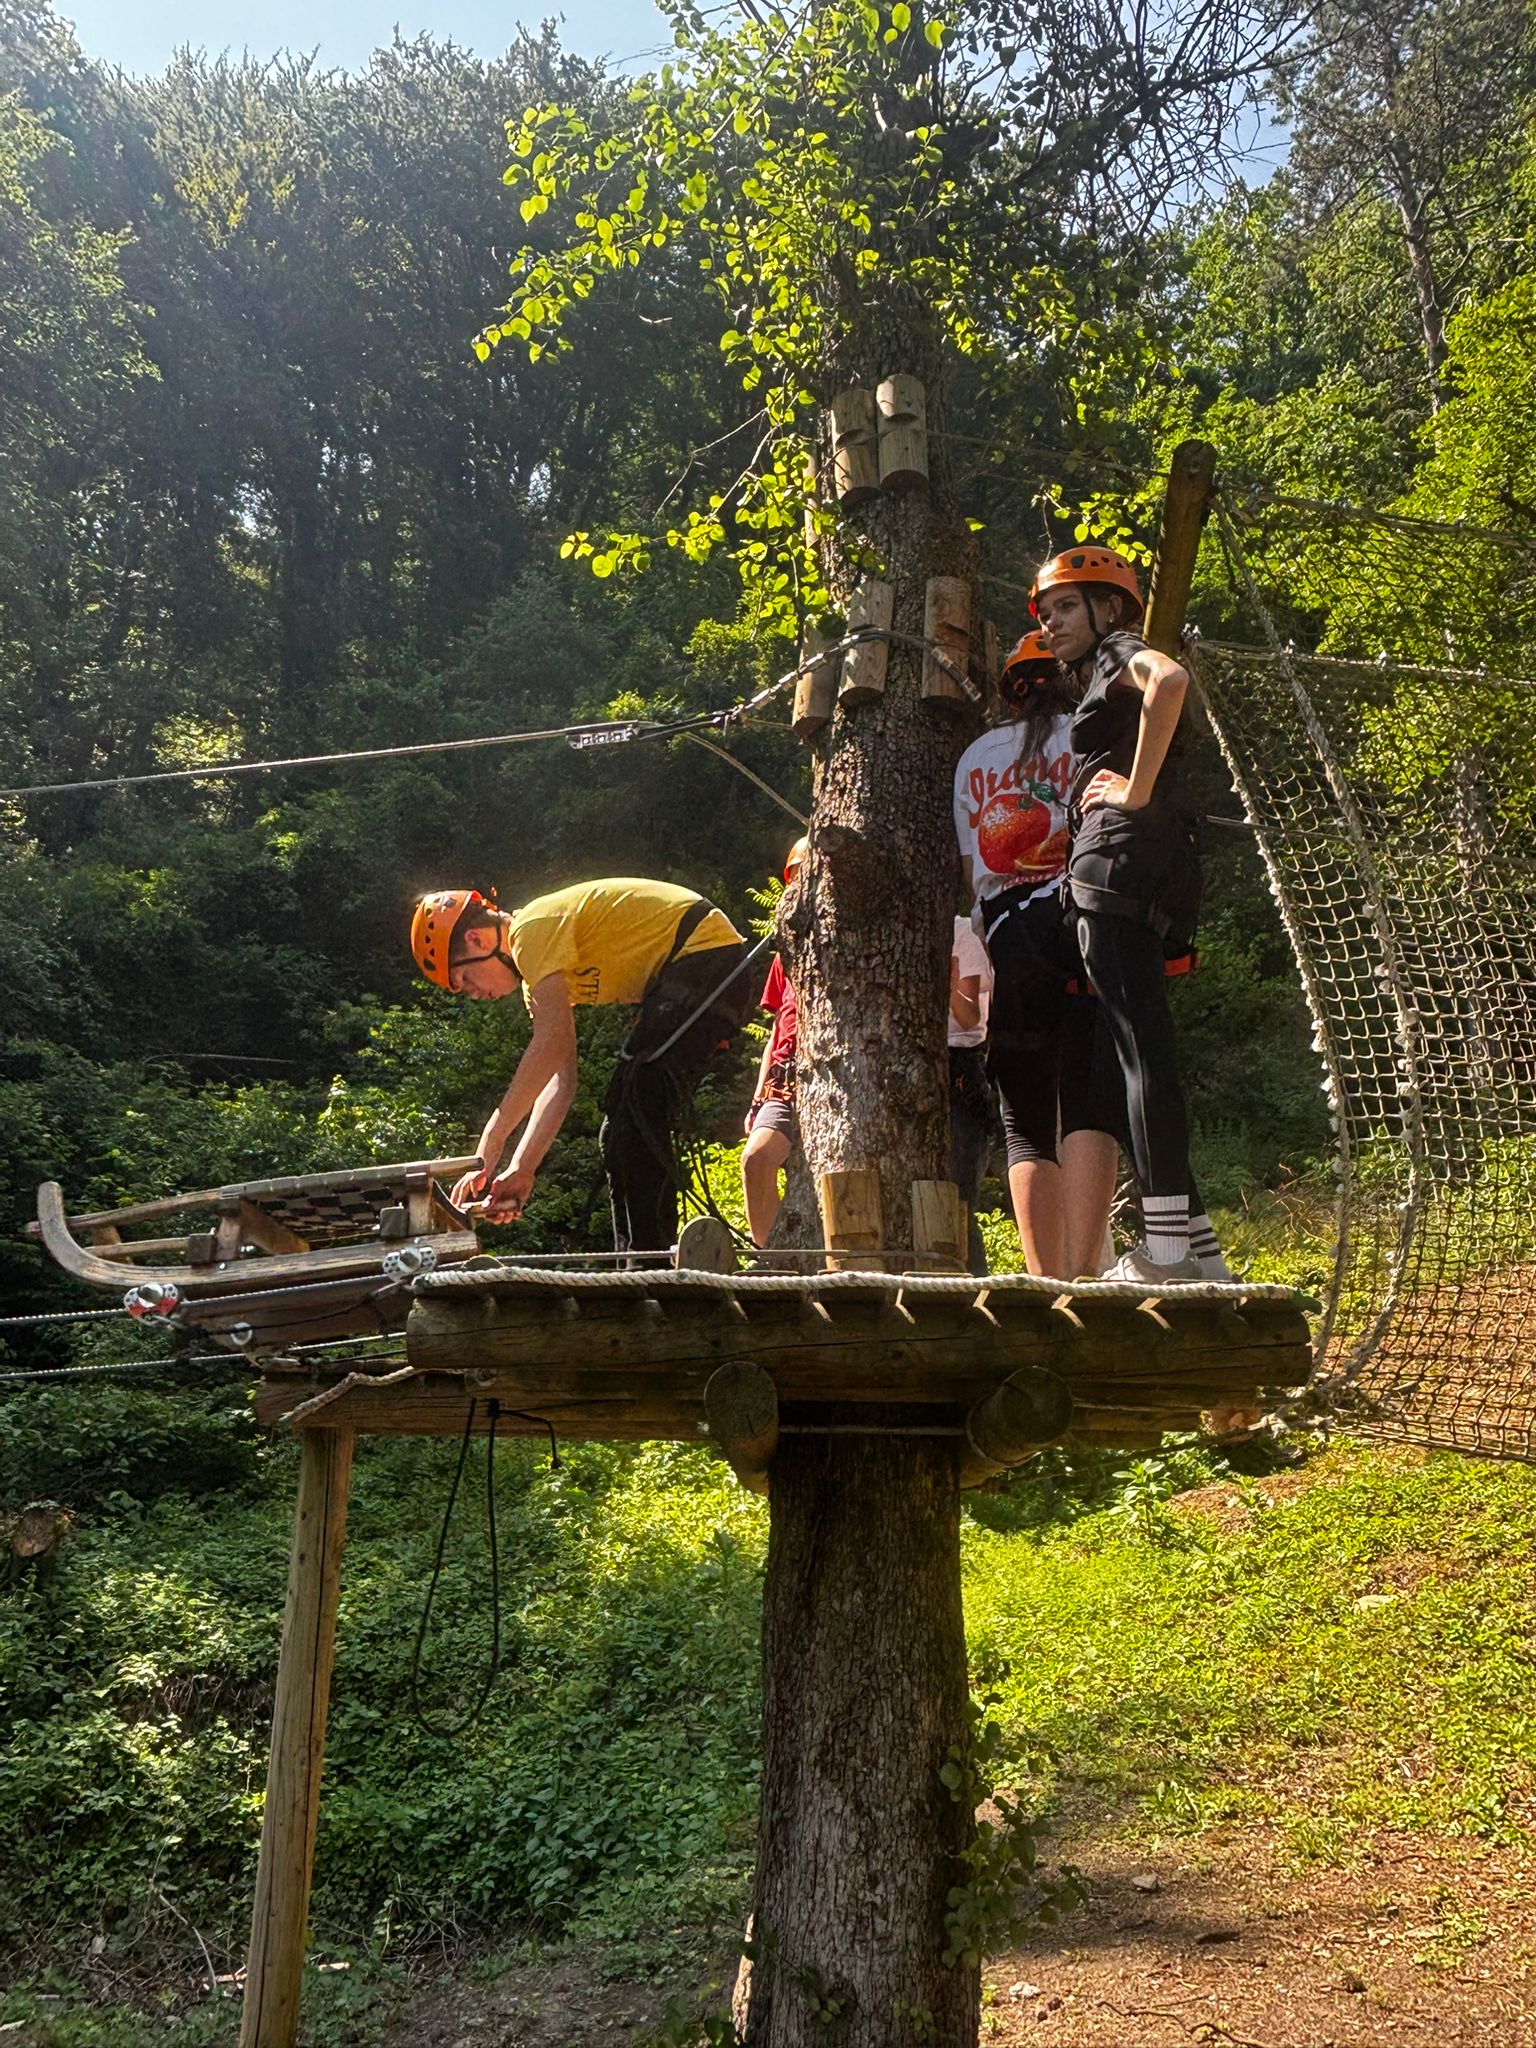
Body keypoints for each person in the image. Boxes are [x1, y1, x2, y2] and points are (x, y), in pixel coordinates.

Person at [1031, 545, 1229, 1283]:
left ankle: (1167, 1253)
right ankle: (1201, 1254)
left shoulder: (1119, 650)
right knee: (1140, 1055)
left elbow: (1169, 681)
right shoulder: (1106, 674)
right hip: (1155, 872)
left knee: (1140, 1056)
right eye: (1046, 613)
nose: (1051, 624)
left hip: (1113, 870)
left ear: (1109, 608)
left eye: (1065, 607)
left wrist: (1131, 791)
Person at [410, 878, 752, 1253]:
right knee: (622, 1124)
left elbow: (551, 1041)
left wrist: (492, 1142)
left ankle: (648, 1263)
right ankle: (643, 1260)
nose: (473, 993)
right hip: (696, 969)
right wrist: (522, 1168)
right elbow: (562, 1081)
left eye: (464, 979)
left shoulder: (530, 930)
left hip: (706, 956)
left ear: (477, 939)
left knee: (634, 1112)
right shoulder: (537, 980)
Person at [953, 628, 1116, 1276]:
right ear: (1070, 682)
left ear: (1011, 694)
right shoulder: (1092, 738)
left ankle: (1046, 1280)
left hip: (1010, 942)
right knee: (1087, 1101)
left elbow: (974, 871)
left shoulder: (976, 757)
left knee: (1024, 1120)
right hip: (1082, 927)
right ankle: (1085, 1274)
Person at [741, 838, 806, 1248]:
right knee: (755, 1160)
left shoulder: (855, 949)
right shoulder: (786, 957)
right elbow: (775, 1033)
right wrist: (757, 1097)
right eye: (794, 879)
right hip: (784, 1081)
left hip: (834, 1077)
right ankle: (769, 1258)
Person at [947, 912, 998, 1275]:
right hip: (910, 1059)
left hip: (961, 1067)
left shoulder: (960, 931)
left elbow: (970, 1018)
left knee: (959, 1199)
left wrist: (949, 989)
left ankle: (975, 1285)